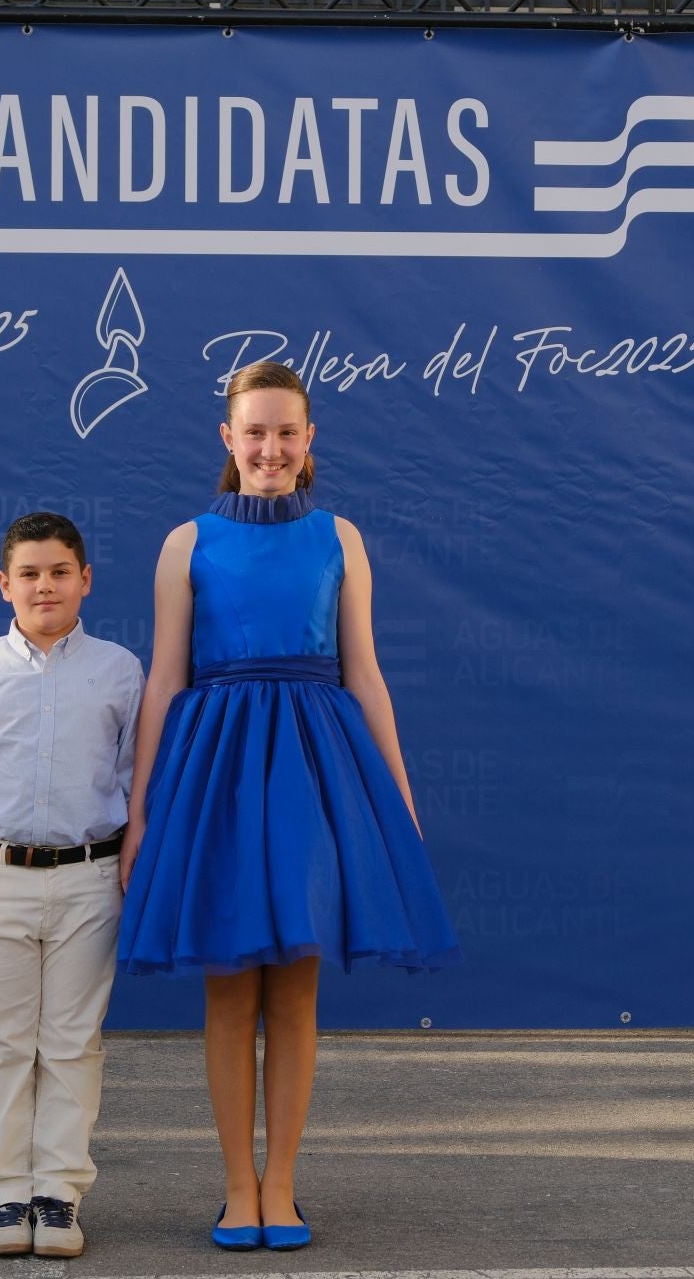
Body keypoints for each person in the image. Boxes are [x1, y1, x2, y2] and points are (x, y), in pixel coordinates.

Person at [116, 360, 461, 1253]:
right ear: (227, 440)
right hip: (217, 773)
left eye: (285, 432)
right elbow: (165, 679)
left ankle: (282, 1185)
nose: (269, 448)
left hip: (314, 770)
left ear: (310, 442)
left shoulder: (340, 538)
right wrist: (142, 809)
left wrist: (397, 794)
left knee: (297, 993)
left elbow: (364, 672)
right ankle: (237, 1187)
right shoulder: (185, 543)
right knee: (230, 993)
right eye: (254, 432)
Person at [0, 511, 144, 1259]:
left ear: (86, 580)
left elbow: (136, 778)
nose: (46, 586)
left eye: (60, 572)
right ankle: (7, 1193)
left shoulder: (119, 670)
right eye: (30, 574)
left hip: (90, 877)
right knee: (0, 1041)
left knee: (72, 1042)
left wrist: (138, 863)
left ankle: (60, 1194)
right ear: (4, 584)